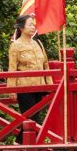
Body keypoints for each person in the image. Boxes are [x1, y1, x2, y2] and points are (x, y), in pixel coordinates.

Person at [7, 14, 50, 143]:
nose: (33, 27)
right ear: (21, 27)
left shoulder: (38, 43)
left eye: (33, 24)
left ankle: (26, 142)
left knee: (36, 117)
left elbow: (45, 64)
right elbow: (12, 68)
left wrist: (49, 84)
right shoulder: (16, 45)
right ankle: (21, 142)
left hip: (40, 85)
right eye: (30, 24)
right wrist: (11, 90)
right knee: (29, 117)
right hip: (24, 86)